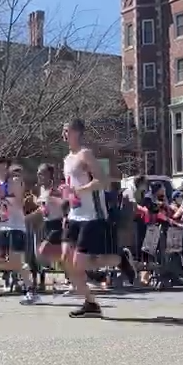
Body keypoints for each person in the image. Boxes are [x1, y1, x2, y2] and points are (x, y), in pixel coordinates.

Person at [61, 118, 122, 318]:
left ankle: (118, 260)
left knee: (79, 262)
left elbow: (102, 180)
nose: (64, 134)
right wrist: (67, 199)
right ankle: (90, 303)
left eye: (67, 130)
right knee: (65, 260)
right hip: (74, 214)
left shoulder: (85, 154)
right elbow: (72, 186)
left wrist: (79, 190)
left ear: (77, 132)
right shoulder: (67, 158)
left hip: (91, 214)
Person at [0, 157, 36, 304]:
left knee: (16, 262)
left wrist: (4, 197)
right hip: (3, 227)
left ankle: (30, 289)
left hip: (16, 227)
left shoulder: (15, 181)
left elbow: (19, 202)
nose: (1, 171)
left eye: (3, 168)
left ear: (8, 168)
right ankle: (23, 273)